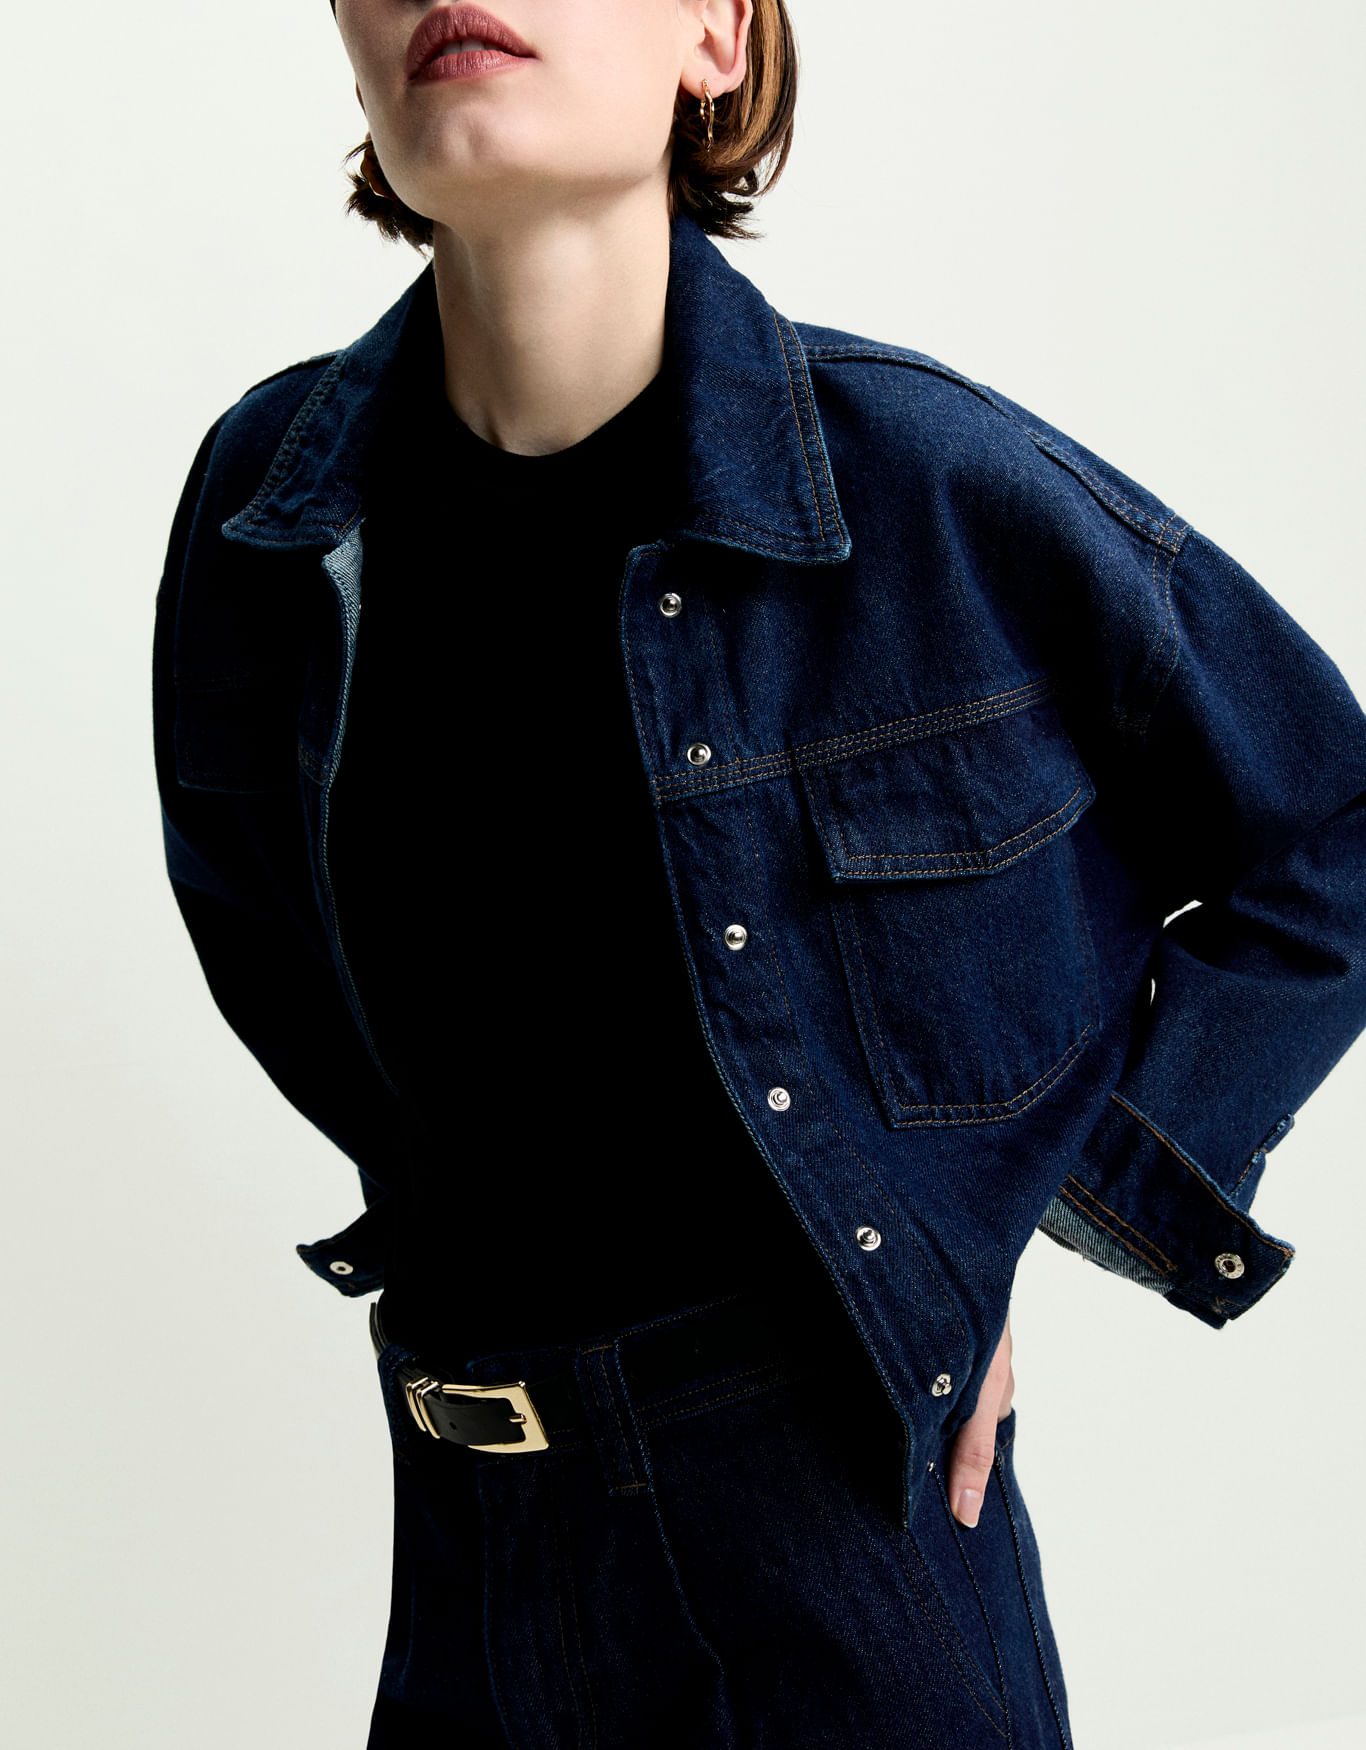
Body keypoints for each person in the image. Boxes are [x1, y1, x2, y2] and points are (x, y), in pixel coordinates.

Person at [151, 2, 1366, 1744]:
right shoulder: (266, 509)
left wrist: (985, 1223)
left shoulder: (918, 479)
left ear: (715, 36)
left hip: (837, 1540)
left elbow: (1325, 824)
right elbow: (266, 931)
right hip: (469, 1534)